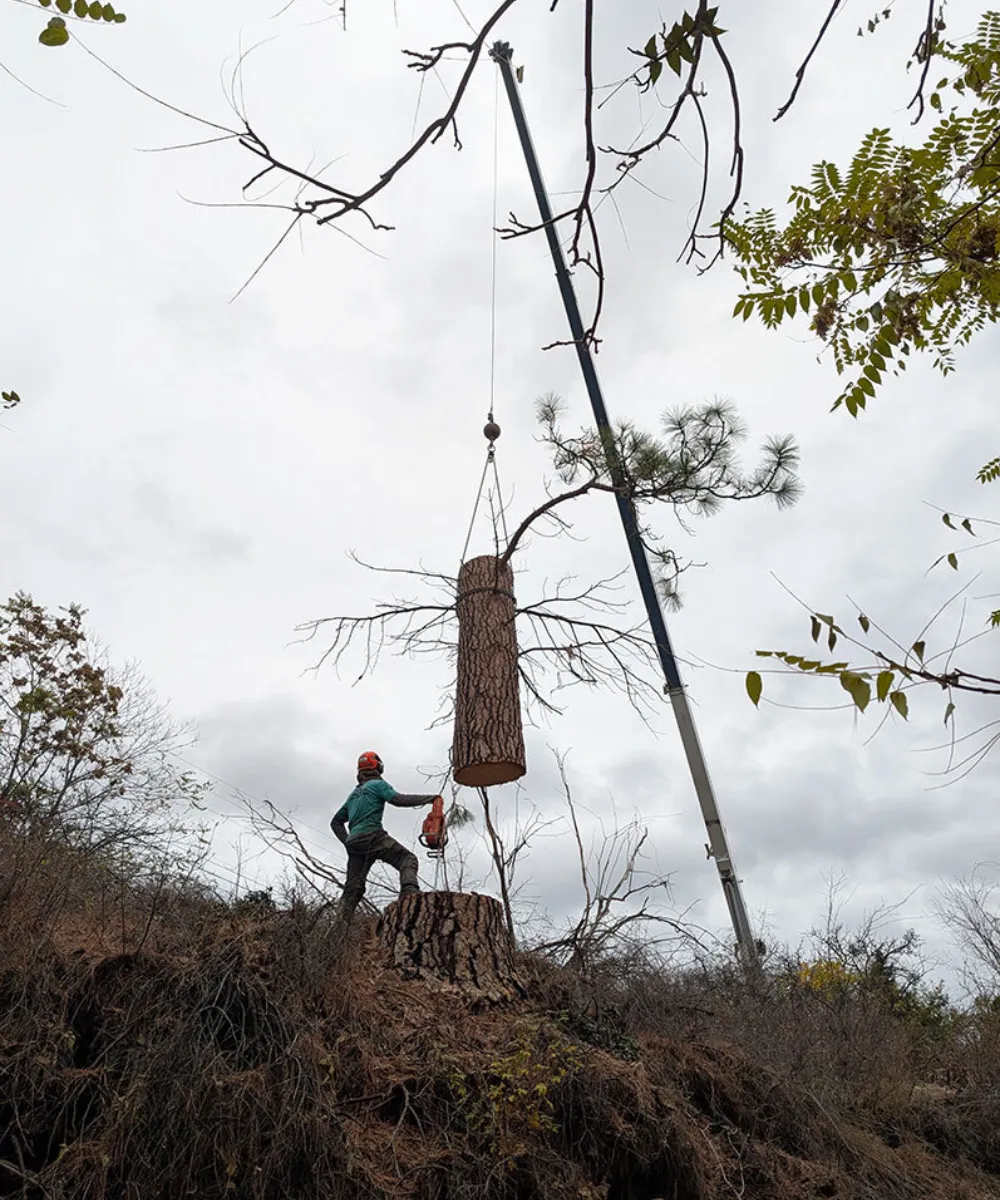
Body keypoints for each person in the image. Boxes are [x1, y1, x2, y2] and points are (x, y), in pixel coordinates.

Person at [331, 751, 439, 920]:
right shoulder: (378, 785)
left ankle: (339, 926)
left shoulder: (353, 795)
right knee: (407, 859)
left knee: (352, 889)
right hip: (373, 836)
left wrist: (348, 842)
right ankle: (409, 897)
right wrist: (430, 799)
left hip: (355, 844)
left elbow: (336, 822)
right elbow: (398, 800)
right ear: (378, 766)